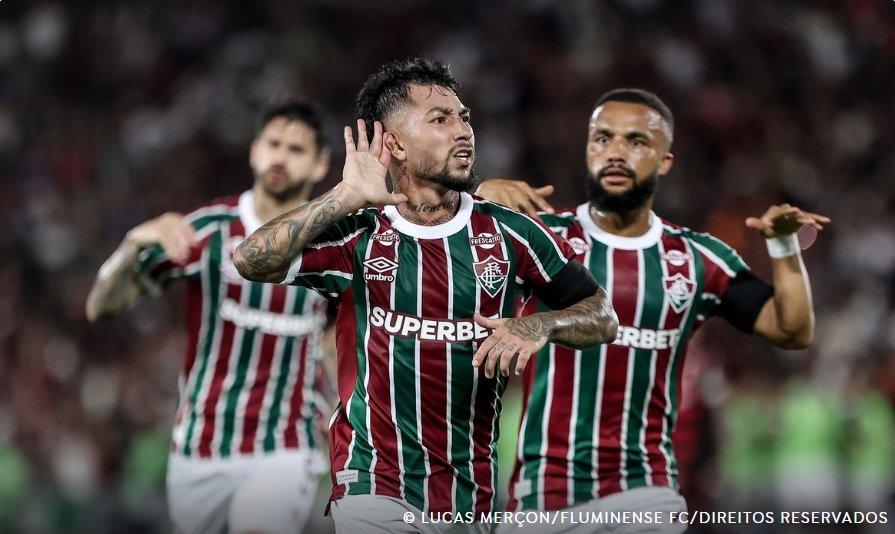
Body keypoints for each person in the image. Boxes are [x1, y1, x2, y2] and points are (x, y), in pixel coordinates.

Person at [232, 58, 619, 534]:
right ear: (393, 144)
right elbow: (251, 259)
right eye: (440, 119)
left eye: (465, 118)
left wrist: (542, 323)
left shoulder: (511, 234)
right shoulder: (360, 234)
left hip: (468, 494)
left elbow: (603, 316)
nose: (463, 131)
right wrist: (344, 197)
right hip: (373, 481)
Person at [497, 88, 829, 534]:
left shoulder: (698, 258)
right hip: (542, 496)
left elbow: (792, 330)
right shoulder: (543, 239)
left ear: (665, 160)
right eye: (602, 138)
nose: (615, 152)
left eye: (636, 142)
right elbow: (437, 271)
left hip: (645, 492)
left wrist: (785, 246)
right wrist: (475, 201)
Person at [86, 101, 335, 534]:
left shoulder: (334, 241)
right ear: (254, 151)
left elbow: (346, 331)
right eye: (274, 144)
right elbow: (101, 307)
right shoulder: (207, 231)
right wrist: (132, 244)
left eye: (296, 149)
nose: (280, 156)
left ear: (320, 165)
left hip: (286, 444)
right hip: (201, 444)